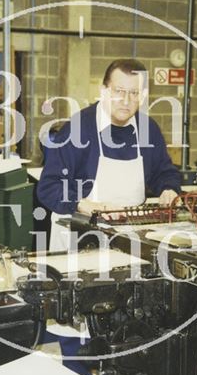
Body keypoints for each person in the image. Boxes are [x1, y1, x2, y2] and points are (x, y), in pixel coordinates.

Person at [37, 58, 182, 251]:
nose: (126, 100)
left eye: (134, 93)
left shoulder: (148, 129)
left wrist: (168, 189)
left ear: (143, 96)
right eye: (119, 91)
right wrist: (82, 204)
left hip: (129, 236)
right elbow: (49, 187)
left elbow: (164, 172)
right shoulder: (78, 129)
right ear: (104, 91)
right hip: (79, 234)